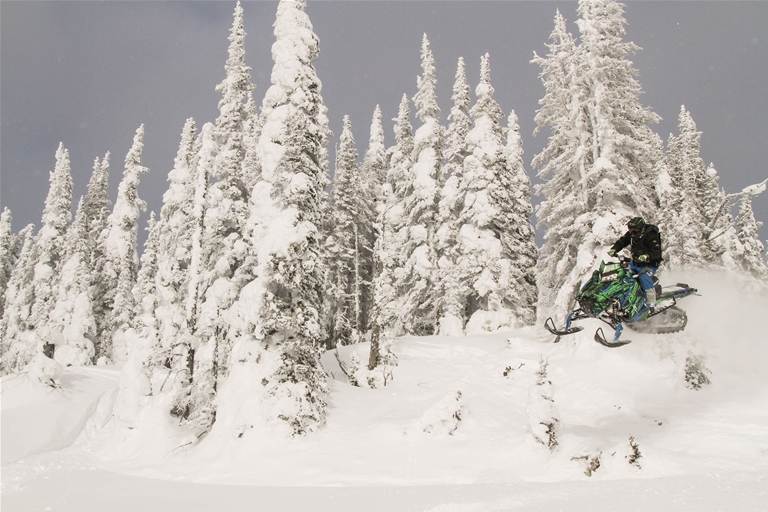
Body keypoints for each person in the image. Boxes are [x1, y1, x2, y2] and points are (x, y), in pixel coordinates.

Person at [607, 217, 663, 310]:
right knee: (622, 274)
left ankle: (651, 304)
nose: (632, 232)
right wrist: (614, 249)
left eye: (634, 230)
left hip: (650, 264)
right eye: (630, 229)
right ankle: (621, 299)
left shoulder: (650, 235)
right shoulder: (632, 235)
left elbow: (656, 251)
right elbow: (622, 241)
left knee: (644, 277)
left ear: (641, 228)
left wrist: (646, 256)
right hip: (636, 263)